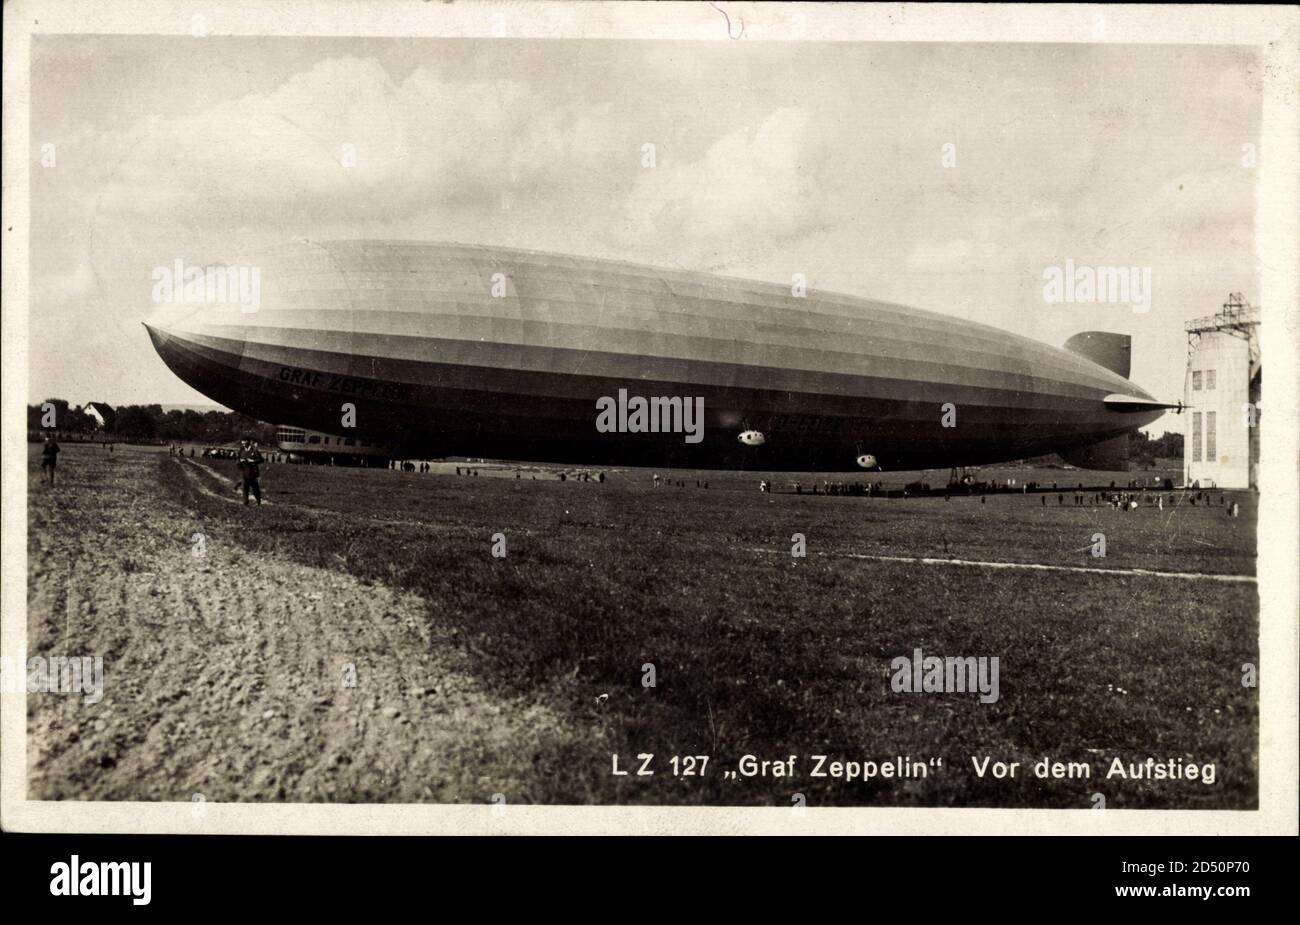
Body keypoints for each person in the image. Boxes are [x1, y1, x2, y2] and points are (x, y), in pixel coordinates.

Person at [236, 439, 265, 506]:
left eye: (244, 442)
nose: (243, 444)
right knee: (245, 488)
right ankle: (245, 502)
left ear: (248, 442)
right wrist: (240, 461)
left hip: (253, 473)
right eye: (242, 442)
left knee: (255, 489)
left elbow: (261, 459)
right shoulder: (241, 450)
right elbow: (237, 460)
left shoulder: (254, 450)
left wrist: (253, 461)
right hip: (245, 472)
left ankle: (258, 500)